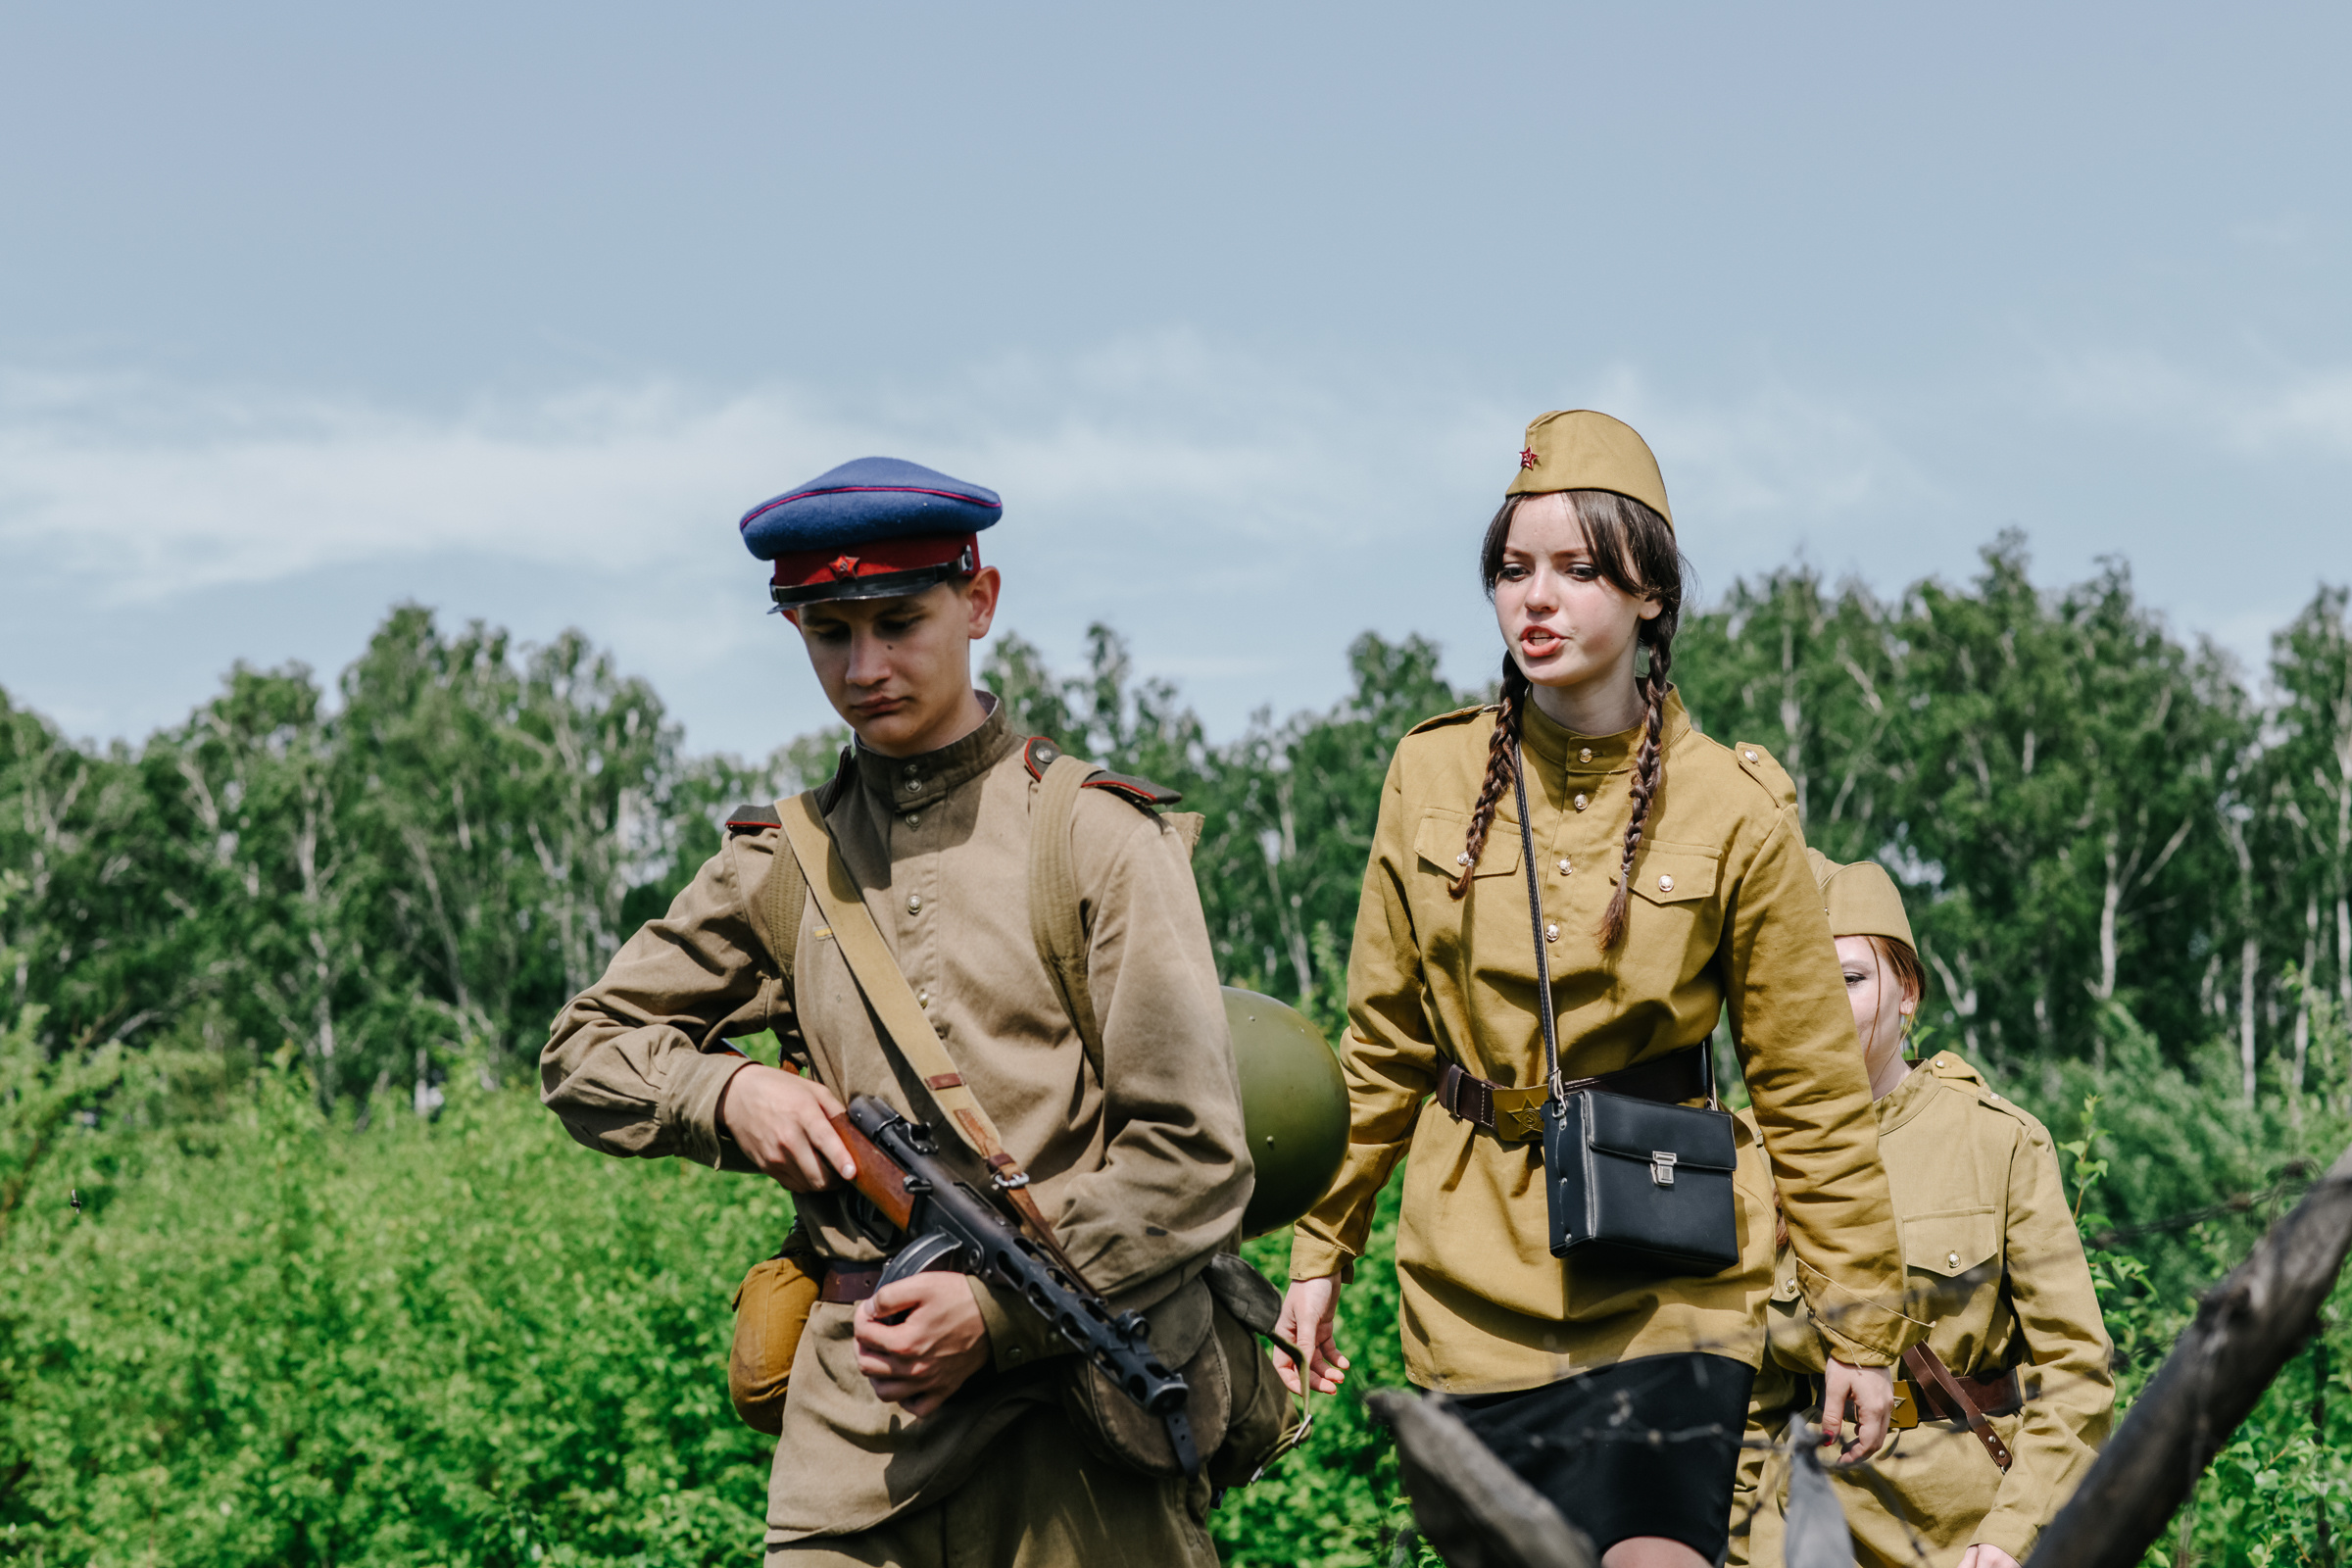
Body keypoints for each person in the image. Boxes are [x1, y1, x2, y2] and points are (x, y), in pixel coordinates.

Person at [540, 457, 1252, 1566]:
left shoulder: (1100, 838)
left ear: (979, 600)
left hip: (1075, 1430)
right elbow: (583, 1052)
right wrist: (725, 1089)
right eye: (829, 631)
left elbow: (1192, 1156)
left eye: (899, 620)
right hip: (854, 1450)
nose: (865, 665)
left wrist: (998, 1314)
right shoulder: (783, 865)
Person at [1273, 411, 1924, 1568]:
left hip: (1672, 1280)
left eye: (1578, 569)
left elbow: (1811, 1089)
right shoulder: (1428, 774)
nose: (1539, 597)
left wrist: (1861, 1327)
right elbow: (1381, 1045)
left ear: (1650, 595)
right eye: (1514, 569)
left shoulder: (1735, 805)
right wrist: (1322, 1248)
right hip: (1471, 1288)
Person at [1727, 855, 2114, 1568]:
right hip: (1804, 1526)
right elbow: (1746, 1395)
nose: (1824, 1004)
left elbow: (2076, 1371)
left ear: (1907, 992)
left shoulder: (1996, 1139)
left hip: (1962, 1530)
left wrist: (2012, 1534)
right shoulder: (1750, 1153)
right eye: (1802, 981)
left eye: (1849, 979)